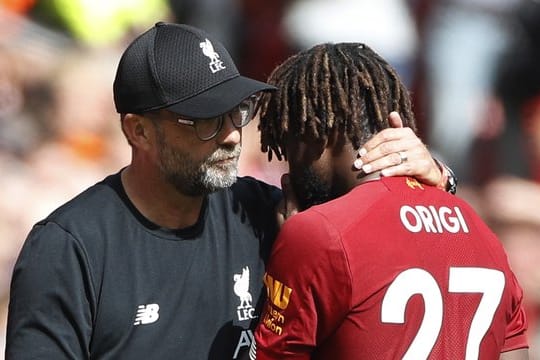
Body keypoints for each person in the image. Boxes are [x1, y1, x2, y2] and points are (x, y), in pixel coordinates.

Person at [5, 22, 452, 359]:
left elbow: (398, 243)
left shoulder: (267, 216)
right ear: (138, 131)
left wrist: (434, 176)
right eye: (204, 120)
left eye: (237, 111)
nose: (233, 135)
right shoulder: (71, 246)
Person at [251, 42, 529, 359]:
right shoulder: (481, 232)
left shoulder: (318, 233)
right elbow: (516, 353)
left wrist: (286, 256)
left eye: (287, 141)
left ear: (316, 130)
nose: (289, 166)